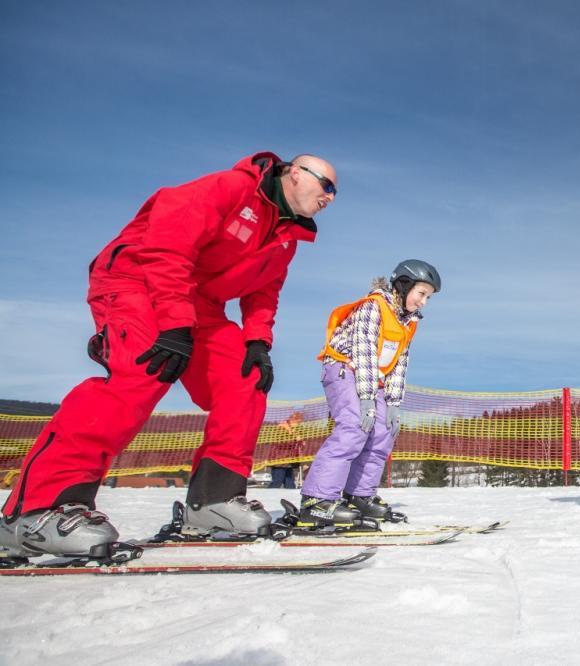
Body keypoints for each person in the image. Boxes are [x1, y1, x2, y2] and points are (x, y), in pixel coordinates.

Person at [0, 153, 338, 561]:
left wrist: (257, 342)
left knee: (243, 379)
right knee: (140, 372)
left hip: (200, 304)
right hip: (138, 281)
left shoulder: (287, 237)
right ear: (296, 173)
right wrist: (175, 323)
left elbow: (264, 290)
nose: (330, 199)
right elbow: (166, 244)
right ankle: (36, 510)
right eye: (327, 187)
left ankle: (212, 504)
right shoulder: (230, 188)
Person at [296, 260, 440, 529]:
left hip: (371, 378)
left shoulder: (408, 323)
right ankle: (316, 500)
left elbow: (398, 365)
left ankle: (359, 496)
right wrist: (365, 400)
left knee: (384, 430)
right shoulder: (373, 307)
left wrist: (394, 404)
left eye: (428, 297)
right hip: (344, 369)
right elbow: (364, 355)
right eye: (421, 294)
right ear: (404, 285)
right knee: (354, 426)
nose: (424, 302)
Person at [270, 412, 305, 489]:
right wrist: (295, 440)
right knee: (277, 482)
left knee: (290, 484)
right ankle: (266, 498)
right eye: (298, 422)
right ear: (293, 420)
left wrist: (300, 442)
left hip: (289, 461)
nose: (299, 424)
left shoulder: (293, 430)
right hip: (279, 461)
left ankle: (290, 498)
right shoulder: (282, 428)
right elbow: (281, 443)